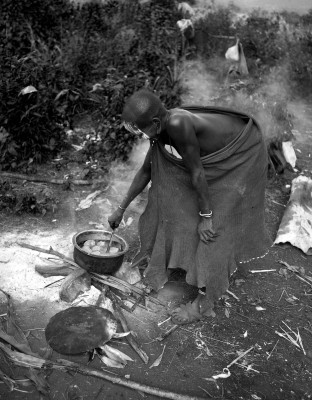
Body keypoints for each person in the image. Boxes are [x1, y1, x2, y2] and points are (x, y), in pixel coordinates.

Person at [108, 88, 271, 324]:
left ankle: (204, 304)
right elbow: (146, 170)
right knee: (174, 201)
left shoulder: (177, 125)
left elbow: (197, 173)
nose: (137, 133)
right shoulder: (159, 129)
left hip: (240, 154)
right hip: (208, 162)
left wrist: (206, 216)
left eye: (138, 128)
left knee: (216, 226)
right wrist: (121, 208)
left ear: (154, 122)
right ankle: (174, 262)